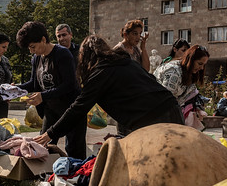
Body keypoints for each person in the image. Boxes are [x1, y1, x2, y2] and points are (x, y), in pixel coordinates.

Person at [33, 35, 184, 147]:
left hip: (153, 119)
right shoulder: (126, 63)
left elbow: (78, 107)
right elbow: (146, 84)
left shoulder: (101, 73)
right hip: (173, 109)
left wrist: (50, 133)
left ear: (85, 58)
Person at [17, 21, 86, 159]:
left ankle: (78, 177)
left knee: (74, 150)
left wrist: (42, 96)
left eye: (33, 47)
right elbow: (34, 83)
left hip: (71, 110)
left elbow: (70, 84)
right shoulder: (36, 58)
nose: (31, 51)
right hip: (51, 110)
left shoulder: (62, 54)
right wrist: (15, 89)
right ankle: (46, 175)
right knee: (43, 146)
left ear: (43, 39)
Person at [153, 45, 210, 129]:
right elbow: (164, 100)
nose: (201, 68)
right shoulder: (173, 71)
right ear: (191, 59)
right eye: (200, 63)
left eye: (204, 65)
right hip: (156, 112)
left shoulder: (190, 74)